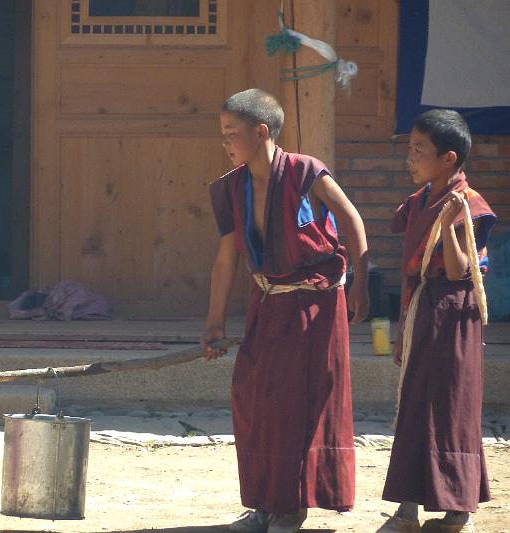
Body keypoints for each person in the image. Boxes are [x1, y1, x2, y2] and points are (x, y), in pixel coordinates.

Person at [202, 89, 369, 533]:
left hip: (314, 301)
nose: (225, 143)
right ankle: (264, 501)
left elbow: (351, 219)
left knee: (296, 401)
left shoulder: (305, 171)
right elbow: (226, 259)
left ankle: (291, 506)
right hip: (266, 301)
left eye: (231, 134)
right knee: (254, 398)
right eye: (223, 135)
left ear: (261, 132)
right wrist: (214, 324)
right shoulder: (232, 187)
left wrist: (361, 285)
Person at [376, 110, 496, 533]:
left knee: (450, 406)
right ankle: (407, 508)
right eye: (409, 148)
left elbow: (462, 269)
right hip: (422, 308)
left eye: (418, 151)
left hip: (454, 313)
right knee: (413, 404)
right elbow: (410, 260)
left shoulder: (470, 204)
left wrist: (448, 226)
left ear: (448, 159)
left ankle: (458, 510)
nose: (409, 158)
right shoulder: (420, 200)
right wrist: (401, 330)